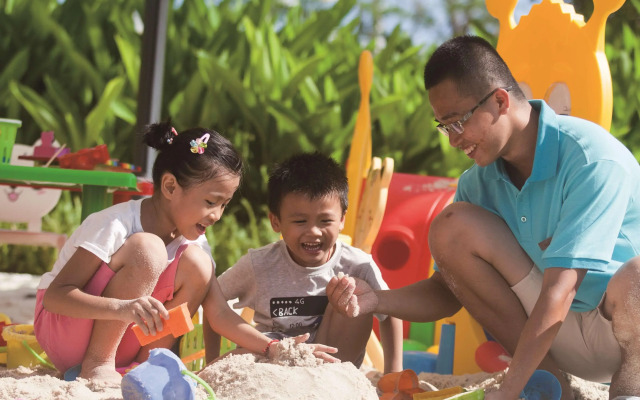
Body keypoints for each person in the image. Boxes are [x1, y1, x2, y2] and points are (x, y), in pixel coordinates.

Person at [327, 35, 640, 399]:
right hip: (549, 342)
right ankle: (550, 385)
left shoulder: (590, 158)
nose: (452, 140)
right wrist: (376, 300)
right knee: (451, 226)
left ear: (500, 101)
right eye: (444, 126)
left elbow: (563, 288)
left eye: (457, 122)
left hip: (621, 330)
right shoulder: (477, 184)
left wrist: (508, 389)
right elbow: (449, 290)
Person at [34, 122, 337, 384]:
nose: (217, 215)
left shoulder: (194, 244)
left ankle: (145, 366)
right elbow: (56, 297)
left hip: (123, 342)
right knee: (148, 249)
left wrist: (275, 347)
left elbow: (219, 314)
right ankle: (97, 365)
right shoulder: (114, 223)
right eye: (210, 202)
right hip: (65, 331)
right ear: (169, 186)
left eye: (224, 205)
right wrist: (121, 308)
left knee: (199, 264)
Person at [206, 152, 403, 373]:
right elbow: (213, 301)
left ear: (342, 220)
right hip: (274, 361)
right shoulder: (259, 264)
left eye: (325, 221)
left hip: (333, 366)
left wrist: (394, 374)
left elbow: (390, 311)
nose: (313, 232)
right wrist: (211, 359)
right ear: (276, 221)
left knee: (355, 290)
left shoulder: (358, 264)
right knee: (235, 358)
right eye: (300, 221)